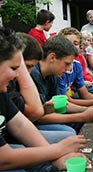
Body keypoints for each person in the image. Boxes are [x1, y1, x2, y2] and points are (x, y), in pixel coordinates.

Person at [0, 27, 88, 172]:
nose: (18, 76)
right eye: (15, 68)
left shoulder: (1, 92)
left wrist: (55, 155)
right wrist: (57, 150)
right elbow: (4, 159)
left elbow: (20, 125)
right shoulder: (31, 76)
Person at [7, 33, 76, 144]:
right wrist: (83, 115)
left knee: (69, 135)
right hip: (16, 134)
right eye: (25, 67)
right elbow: (35, 113)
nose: (68, 69)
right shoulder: (26, 78)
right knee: (69, 134)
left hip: (21, 128)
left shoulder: (52, 76)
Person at [30, 35, 93, 134]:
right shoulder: (33, 75)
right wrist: (81, 116)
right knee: (69, 132)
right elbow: (38, 118)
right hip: (30, 125)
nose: (69, 69)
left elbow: (62, 104)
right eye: (67, 63)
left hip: (45, 117)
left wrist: (88, 109)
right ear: (52, 57)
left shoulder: (53, 75)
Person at [58, 27, 93, 95]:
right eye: (85, 40)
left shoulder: (77, 63)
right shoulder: (57, 65)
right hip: (73, 91)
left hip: (83, 84)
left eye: (76, 43)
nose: (71, 46)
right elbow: (68, 100)